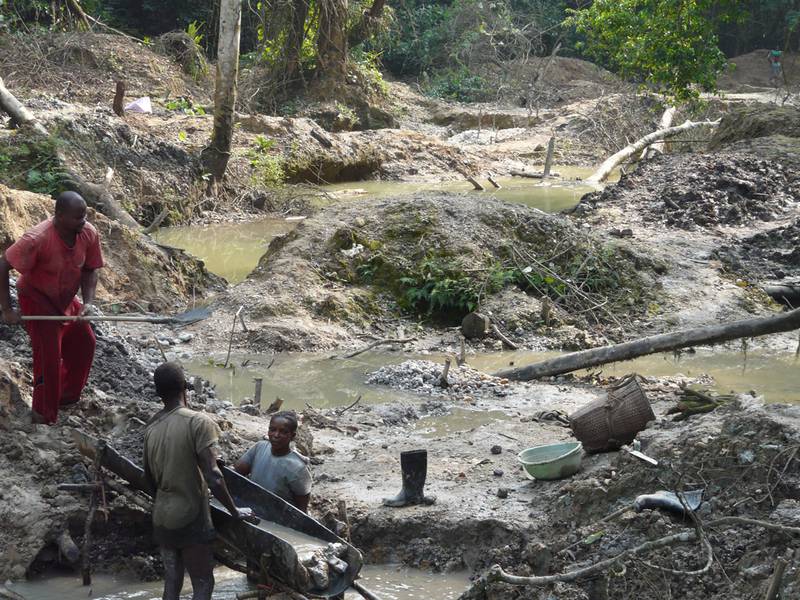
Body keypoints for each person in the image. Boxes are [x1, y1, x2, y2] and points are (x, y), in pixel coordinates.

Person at [144, 362, 254, 600]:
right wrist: (234, 511)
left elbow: (149, 479)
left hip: (162, 516)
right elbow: (214, 476)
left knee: (172, 582)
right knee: (203, 584)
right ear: (186, 387)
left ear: (158, 392)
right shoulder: (198, 422)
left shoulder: (151, 427)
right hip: (190, 516)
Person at [0, 191, 103, 424]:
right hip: (37, 299)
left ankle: (65, 396)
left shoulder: (88, 233)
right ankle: (43, 413)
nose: (83, 221)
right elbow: (3, 265)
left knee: (85, 343)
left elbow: (90, 269)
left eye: (84, 215)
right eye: (78, 217)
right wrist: (7, 310)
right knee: (49, 357)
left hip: (66, 300)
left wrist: (88, 302)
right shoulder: (37, 238)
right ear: (59, 216)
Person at [235, 411, 312, 513]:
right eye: (272, 430)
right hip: (252, 506)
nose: (276, 435)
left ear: (293, 436)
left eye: (283, 432)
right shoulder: (259, 447)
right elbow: (236, 473)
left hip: (277, 517)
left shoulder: (298, 468)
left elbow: (302, 510)